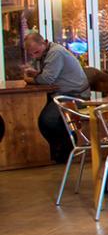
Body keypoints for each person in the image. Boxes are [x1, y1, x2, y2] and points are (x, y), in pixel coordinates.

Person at [23, 32, 90, 163]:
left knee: (47, 120)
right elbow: (47, 76)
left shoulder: (55, 53)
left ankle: (67, 148)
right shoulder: (46, 52)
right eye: (31, 54)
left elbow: (47, 79)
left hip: (75, 95)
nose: (34, 56)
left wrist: (29, 79)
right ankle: (57, 150)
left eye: (36, 52)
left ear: (44, 43)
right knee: (38, 114)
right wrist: (37, 74)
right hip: (63, 93)